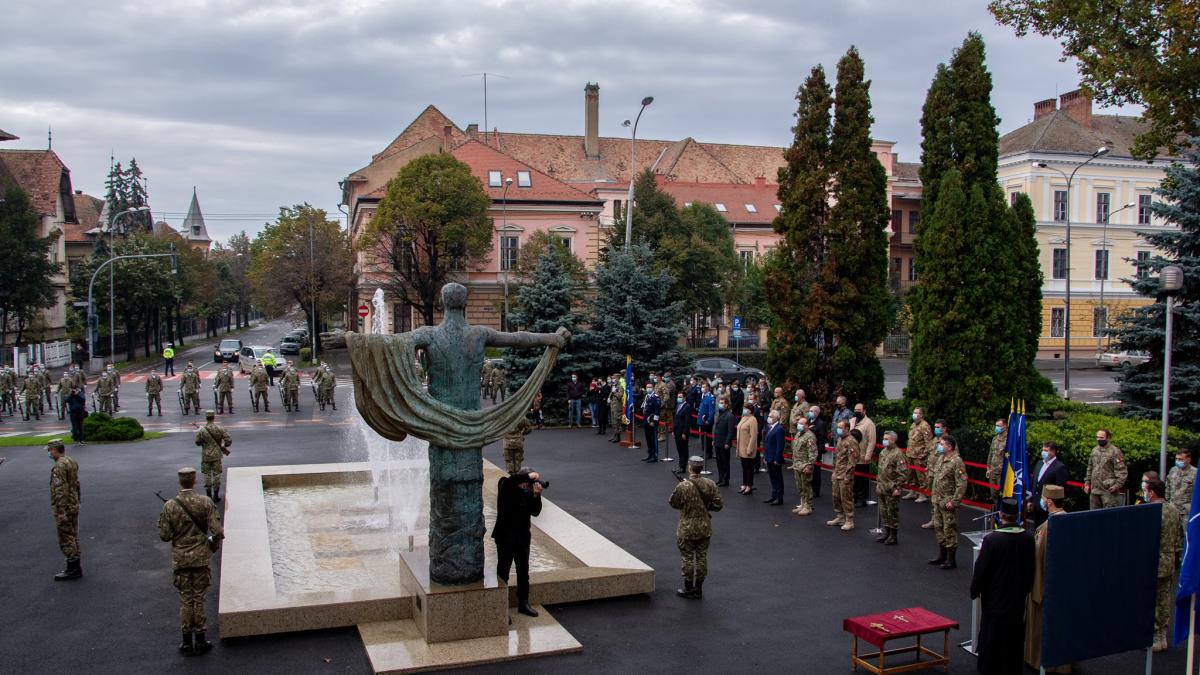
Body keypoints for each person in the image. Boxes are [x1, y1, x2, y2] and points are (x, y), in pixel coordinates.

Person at [158, 466, 223, 656]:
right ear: (195, 481)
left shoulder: (170, 505)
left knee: (186, 599)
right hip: (201, 557)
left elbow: (164, 535)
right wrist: (214, 543)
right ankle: (201, 639)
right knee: (199, 598)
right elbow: (217, 531)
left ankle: (186, 641)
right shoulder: (205, 502)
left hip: (181, 559)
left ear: (180, 481)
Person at [969, 498, 1035, 674]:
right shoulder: (1028, 538)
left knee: (992, 639)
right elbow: (1031, 567)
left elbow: (981, 570)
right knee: (1013, 639)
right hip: (1017, 598)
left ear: (1000, 515)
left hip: (995, 599)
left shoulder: (992, 540)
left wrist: (974, 590)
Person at [1025, 485, 1070, 672]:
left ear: (1049, 501)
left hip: (1045, 587)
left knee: (1041, 628)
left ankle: (1039, 662)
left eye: (1043, 498)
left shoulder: (1046, 529)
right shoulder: (1070, 521)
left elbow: (1037, 559)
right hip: (1065, 587)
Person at [492, 467, 544, 618]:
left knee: (523, 572)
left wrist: (536, 495)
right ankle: (501, 608)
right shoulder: (506, 485)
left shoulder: (527, 492)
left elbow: (535, 512)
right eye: (527, 481)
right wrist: (528, 476)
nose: (528, 484)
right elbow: (510, 482)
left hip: (522, 537)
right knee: (503, 572)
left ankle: (523, 603)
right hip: (505, 537)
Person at [670, 456, 723, 599]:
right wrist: (706, 507)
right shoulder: (710, 484)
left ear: (689, 467)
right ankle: (698, 588)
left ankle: (688, 588)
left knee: (687, 557)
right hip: (704, 526)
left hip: (686, 527)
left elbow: (673, 503)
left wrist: (686, 505)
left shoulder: (683, 486)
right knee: (701, 557)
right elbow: (718, 505)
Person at [1144, 473, 1183, 651]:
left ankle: (1153, 637)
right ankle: (1162, 636)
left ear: (1152, 493)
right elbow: (1180, 536)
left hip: (1153, 561)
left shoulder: (1150, 512)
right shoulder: (1173, 509)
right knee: (1164, 599)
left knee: (1151, 600)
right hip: (1169, 560)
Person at [928, 433, 968, 570]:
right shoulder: (941, 458)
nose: (939, 446)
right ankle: (942, 555)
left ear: (949, 447)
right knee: (939, 528)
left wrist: (955, 501)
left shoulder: (956, 461)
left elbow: (962, 483)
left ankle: (951, 559)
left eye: (942, 444)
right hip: (937, 500)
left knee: (949, 529)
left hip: (948, 501)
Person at [48, 439, 83, 581]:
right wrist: (78, 500)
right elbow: (76, 484)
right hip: (73, 504)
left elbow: (60, 490)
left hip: (66, 507)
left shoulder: (59, 466)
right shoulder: (70, 461)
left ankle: (73, 568)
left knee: (66, 537)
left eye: (50, 450)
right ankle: (75, 566)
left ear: (54, 450)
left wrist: (61, 511)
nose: (49, 453)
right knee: (73, 535)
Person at [194, 411, 232, 502]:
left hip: (206, 456)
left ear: (206, 418)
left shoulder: (202, 430)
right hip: (217, 455)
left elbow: (197, 443)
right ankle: (216, 495)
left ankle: (208, 496)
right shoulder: (220, 428)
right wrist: (224, 446)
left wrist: (204, 443)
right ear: (213, 417)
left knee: (207, 475)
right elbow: (228, 441)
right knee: (217, 475)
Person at [1084, 428, 1127, 509]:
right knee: (1094, 517)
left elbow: (1122, 471)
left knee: (1109, 517)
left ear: (1108, 438)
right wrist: (1087, 483)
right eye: (1097, 437)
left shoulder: (1115, 451)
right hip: (1094, 491)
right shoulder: (1094, 450)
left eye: (1101, 438)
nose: (1098, 439)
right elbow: (1090, 467)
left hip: (1108, 492)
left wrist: (1116, 486)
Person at [876, 431, 905, 545]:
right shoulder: (883, 452)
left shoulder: (898, 454)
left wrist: (898, 488)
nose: (884, 440)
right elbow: (880, 471)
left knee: (892, 512)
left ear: (893, 440)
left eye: (887, 439)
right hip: (882, 487)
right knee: (884, 511)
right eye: (884, 438)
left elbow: (903, 474)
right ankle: (886, 532)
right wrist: (878, 484)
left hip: (892, 489)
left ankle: (893, 536)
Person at [828, 422, 858, 530]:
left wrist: (848, 476)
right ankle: (840, 517)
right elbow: (836, 458)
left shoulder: (851, 441)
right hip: (837, 473)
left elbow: (852, 461)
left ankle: (849, 520)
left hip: (845, 475)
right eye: (838, 427)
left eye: (840, 427)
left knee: (846, 497)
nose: (838, 429)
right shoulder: (840, 439)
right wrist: (834, 471)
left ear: (847, 428)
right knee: (836, 496)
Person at [1031, 441, 1069, 525]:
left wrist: (1049, 502)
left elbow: (1061, 489)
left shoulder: (1059, 467)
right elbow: (1034, 482)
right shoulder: (1039, 463)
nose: (1043, 452)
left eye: (1046, 450)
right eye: (1043, 450)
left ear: (1053, 451)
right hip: (1036, 506)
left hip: (1049, 507)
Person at [921, 419, 950, 529]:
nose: (936, 429)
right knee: (932, 498)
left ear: (944, 428)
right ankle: (934, 520)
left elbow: (952, 457)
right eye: (935, 427)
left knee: (941, 498)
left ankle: (942, 521)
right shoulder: (935, 439)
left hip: (941, 474)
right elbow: (930, 454)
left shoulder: (948, 441)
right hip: (931, 472)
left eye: (938, 427)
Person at [789, 413, 818, 516]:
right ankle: (802, 504)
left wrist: (809, 466)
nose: (799, 425)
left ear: (806, 425)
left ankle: (808, 506)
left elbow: (813, 453)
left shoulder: (810, 436)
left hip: (805, 466)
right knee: (800, 486)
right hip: (797, 465)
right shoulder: (798, 434)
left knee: (806, 486)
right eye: (798, 423)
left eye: (801, 423)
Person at [850, 402, 876, 508]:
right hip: (852, 454)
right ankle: (855, 497)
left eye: (859, 410)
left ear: (864, 411)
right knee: (853, 479)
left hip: (862, 455)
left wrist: (868, 456)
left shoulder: (869, 423)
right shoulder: (852, 421)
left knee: (862, 479)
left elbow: (871, 441)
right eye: (855, 410)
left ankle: (862, 498)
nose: (856, 412)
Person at [906, 407, 933, 501]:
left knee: (921, 476)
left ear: (921, 415)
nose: (914, 414)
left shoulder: (925, 425)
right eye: (914, 412)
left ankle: (923, 494)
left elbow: (929, 442)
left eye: (917, 413)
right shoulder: (913, 424)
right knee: (911, 475)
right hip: (910, 454)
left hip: (919, 455)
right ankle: (913, 491)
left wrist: (925, 453)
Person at [1166, 449, 1196, 529]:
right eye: (1176, 459)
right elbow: (1168, 487)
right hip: (1172, 511)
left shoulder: (1195, 473)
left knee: (1186, 535)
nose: (1177, 461)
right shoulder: (1173, 470)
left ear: (1188, 460)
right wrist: (1168, 503)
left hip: (1186, 512)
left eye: (1180, 459)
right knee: (1173, 537)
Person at [762, 409, 785, 505]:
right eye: (769, 416)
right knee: (772, 477)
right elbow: (767, 444)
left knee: (778, 478)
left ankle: (779, 498)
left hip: (775, 458)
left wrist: (777, 458)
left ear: (776, 418)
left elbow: (780, 446)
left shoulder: (779, 429)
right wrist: (765, 457)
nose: (769, 418)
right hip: (769, 457)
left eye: (771, 417)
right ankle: (773, 495)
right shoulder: (769, 427)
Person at [711, 394, 734, 486]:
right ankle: (720, 478)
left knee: (725, 462)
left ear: (727, 405)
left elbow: (730, 431)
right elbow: (716, 428)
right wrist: (714, 439)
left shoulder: (730, 416)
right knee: (719, 462)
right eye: (719, 403)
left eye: (722, 403)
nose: (720, 404)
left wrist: (727, 442)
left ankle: (725, 479)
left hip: (724, 443)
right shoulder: (719, 414)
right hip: (717, 441)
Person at [736, 404, 759, 495]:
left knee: (749, 468)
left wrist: (750, 448)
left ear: (750, 410)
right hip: (741, 447)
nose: (744, 410)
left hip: (747, 447)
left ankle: (749, 485)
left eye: (746, 408)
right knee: (744, 467)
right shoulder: (744, 418)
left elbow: (753, 436)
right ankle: (744, 484)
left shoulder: (753, 420)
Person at [985, 417, 1008, 502]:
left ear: (1005, 426)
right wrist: (988, 468)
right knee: (993, 495)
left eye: (998, 425)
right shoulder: (995, 438)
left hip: (1002, 474)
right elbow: (991, 454)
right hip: (992, 472)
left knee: (1002, 496)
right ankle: (995, 513)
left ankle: (1002, 514)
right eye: (996, 425)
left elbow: (1008, 458)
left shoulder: (1009, 440)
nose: (996, 427)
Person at [808, 405, 827, 499]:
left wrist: (818, 452)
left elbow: (822, 439)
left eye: (812, 411)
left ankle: (816, 490)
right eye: (810, 410)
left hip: (815, 451)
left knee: (815, 472)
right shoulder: (808, 422)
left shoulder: (820, 424)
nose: (810, 412)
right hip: (807, 451)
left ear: (817, 413)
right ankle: (808, 488)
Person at [640, 383, 661, 462]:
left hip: (652, 422)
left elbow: (657, 411)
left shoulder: (656, 398)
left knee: (653, 439)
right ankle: (649, 454)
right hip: (646, 420)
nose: (648, 388)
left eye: (650, 387)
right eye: (647, 387)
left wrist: (654, 421)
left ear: (653, 388)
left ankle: (654, 456)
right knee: (648, 439)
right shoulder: (647, 397)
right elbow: (644, 408)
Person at [697, 383, 716, 461]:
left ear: (708, 388)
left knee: (707, 437)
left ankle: (709, 452)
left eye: (704, 387)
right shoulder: (703, 396)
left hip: (706, 421)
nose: (702, 388)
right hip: (702, 420)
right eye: (702, 387)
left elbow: (712, 411)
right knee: (702, 437)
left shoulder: (710, 398)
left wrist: (709, 420)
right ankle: (704, 451)